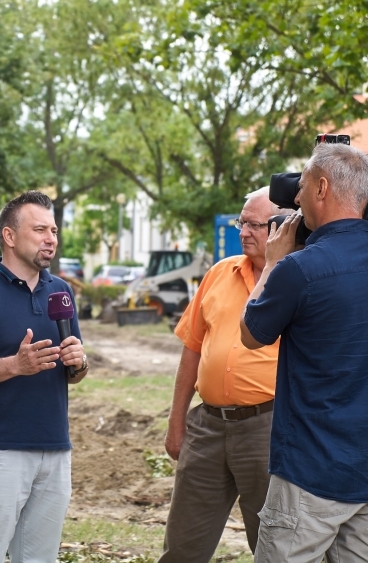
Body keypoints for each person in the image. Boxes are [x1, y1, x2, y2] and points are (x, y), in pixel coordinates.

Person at [240, 143, 368, 562]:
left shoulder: (300, 269)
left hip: (309, 474)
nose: (296, 200)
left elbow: (250, 334)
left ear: (321, 188)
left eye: (301, 187)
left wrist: (272, 262)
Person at [0, 190, 89, 563]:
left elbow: (72, 372)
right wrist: (14, 365)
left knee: (40, 558)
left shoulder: (61, 292)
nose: (50, 239)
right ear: (9, 236)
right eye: (40, 230)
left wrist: (79, 363)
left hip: (56, 449)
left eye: (53, 231)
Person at [159, 188, 289, 563]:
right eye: (241, 223)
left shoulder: (297, 278)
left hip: (267, 429)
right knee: (182, 548)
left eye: (254, 225)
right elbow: (192, 349)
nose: (243, 232)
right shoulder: (219, 273)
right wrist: (176, 422)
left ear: (281, 227)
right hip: (208, 427)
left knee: (273, 548)